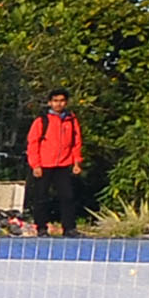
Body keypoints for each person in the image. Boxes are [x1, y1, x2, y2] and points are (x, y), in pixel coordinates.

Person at [23, 92, 85, 234]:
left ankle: (69, 228)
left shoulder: (71, 120)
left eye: (62, 101)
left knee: (67, 196)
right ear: (50, 102)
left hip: (63, 164)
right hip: (44, 164)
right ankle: (41, 227)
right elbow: (33, 143)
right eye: (55, 101)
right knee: (41, 197)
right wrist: (35, 164)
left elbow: (76, 142)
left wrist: (77, 162)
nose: (59, 104)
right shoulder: (42, 120)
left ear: (66, 102)